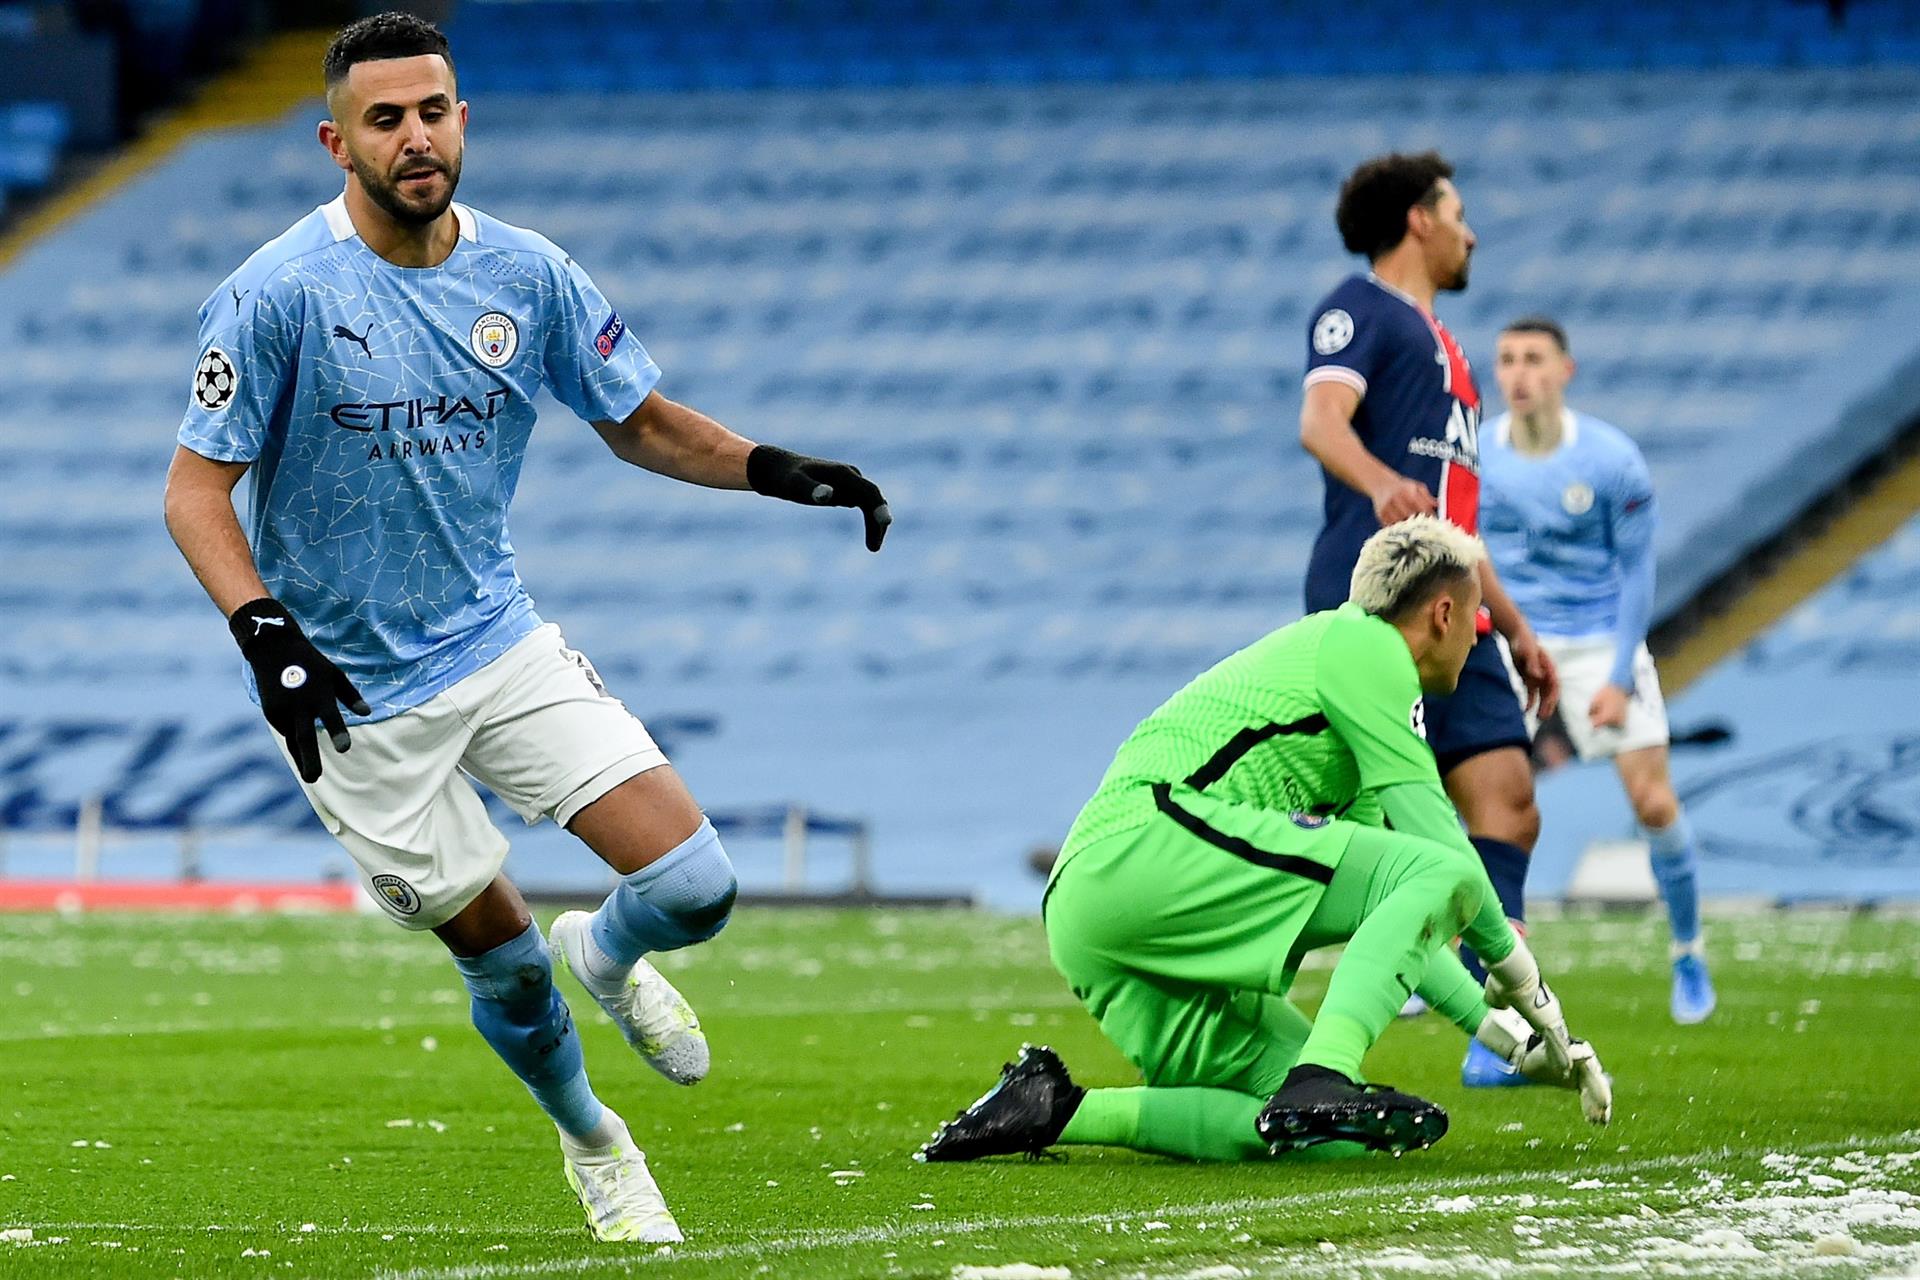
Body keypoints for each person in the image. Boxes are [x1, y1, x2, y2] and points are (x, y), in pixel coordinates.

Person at [162, 13, 892, 1243]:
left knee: (697, 884)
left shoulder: (528, 273)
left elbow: (639, 419)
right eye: (385, 119)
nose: (415, 137)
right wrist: (266, 632)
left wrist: (779, 469)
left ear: (464, 120)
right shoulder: (276, 292)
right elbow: (194, 491)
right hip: (346, 692)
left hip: (494, 638)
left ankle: (608, 953)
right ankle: (595, 1138)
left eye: (433, 110)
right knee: (502, 964)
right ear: (336, 141)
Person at [918, 518, 1608, 1165]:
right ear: (1444, 613)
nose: (1480, 636)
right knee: (1435, 877)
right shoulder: (1366, 646)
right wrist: (1530, 990)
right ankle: (1324, 1072)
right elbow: (1445, 860)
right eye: (1479, 617)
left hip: (1092, 911)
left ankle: (1053, 1108)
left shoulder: (1349, 690)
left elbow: (1402, 912)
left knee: (1321, 1138)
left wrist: (1507, 1042)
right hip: (1142, 848)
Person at [1297, 151, 1561, 1087]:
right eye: (1459, 211)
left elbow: (1457, 518)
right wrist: (1379, 486)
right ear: (1419, 219)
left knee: (1508, 801)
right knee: (1371, 819)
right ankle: (1301, 1026)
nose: (1470, 231)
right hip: (1376, 603)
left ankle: (1501, 1024)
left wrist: (1518, 626)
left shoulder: (1448, 352)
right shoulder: (1357, 309)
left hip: (1462, 610)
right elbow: (1322, 422)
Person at [1482, 316, 1715, 1024]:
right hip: (1509, 645)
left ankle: (1688, 953)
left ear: (1564, 372)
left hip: (1595, 642)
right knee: (1477, 807)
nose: (1518, 373)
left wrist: (1618, 674)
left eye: (1533, 359)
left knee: (1652, 803)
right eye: (1507, 360)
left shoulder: (1612, 460)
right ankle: (1444, 967)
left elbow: (1637, 569)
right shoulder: (1476, 456)